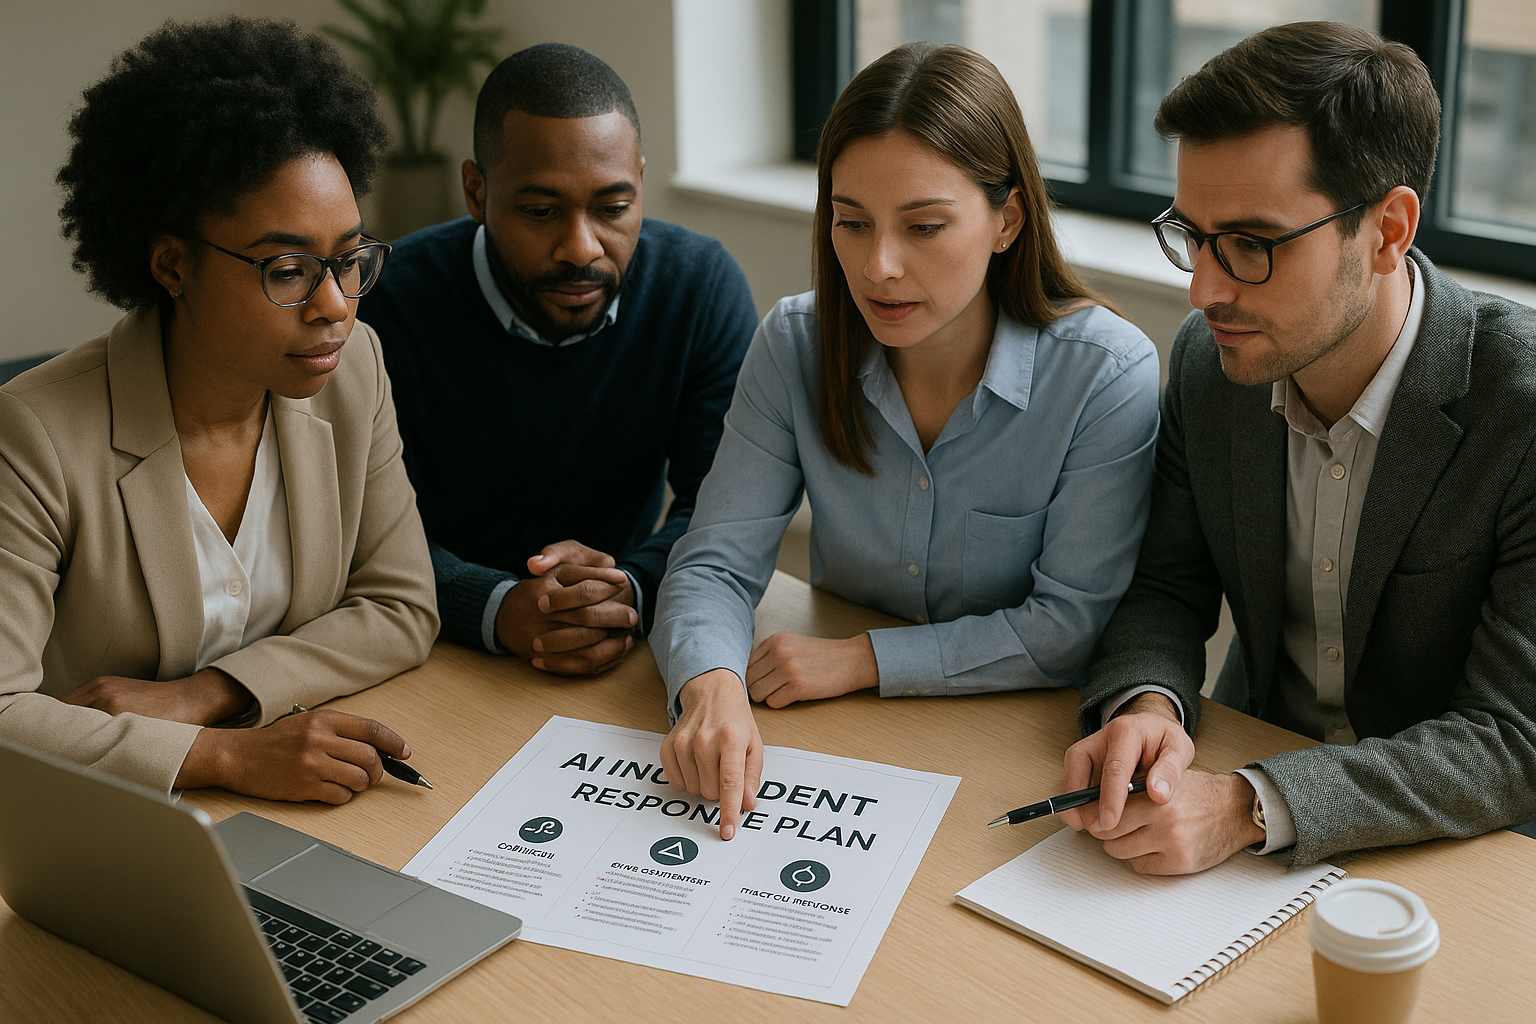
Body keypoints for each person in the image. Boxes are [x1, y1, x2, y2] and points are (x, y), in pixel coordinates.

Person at [653, 43, 1161, 839]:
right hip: (838, 741)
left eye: (924, 226)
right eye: (851, 223)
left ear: (1008, 220)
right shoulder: (794, 342)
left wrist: (863, 659)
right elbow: (714, 560)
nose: (878, 266)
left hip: (1016, 747)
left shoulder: (1106, 374)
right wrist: (710, 684)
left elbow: (1067, 629)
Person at [1062, 21, 1536, 873]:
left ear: (1388, 231)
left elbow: (1510, 737)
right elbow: (1167, 587)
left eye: (1252, 245)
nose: (1204, 291)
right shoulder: (1212, 365)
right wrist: (1147, 705)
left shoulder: (1521, 410)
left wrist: (1248, 805)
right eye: (1193, 236)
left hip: (1454, 852)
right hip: (1245, 788)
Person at [0, 18, 439, 803]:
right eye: (289, 269)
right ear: (173, 265)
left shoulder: (353, 369)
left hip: (283, 808)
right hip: (98, 820)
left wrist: (210, 694)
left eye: (348, 260)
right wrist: (226, 757)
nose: (336, 306)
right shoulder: (34, 435)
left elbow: (401, 606)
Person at [357, 44, 757, 675]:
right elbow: (356, 523)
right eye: (541, 212)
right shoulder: (386, 306)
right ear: (476, 191)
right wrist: (493, 605)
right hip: (429, 644)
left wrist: (631, 587)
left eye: (613, 208)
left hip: (623, 640)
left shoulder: (699, 289)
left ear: (640, 182)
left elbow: (727, 508)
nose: (581, 248)